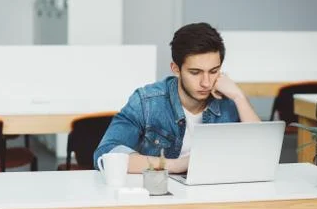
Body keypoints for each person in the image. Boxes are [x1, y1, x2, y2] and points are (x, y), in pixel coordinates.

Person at [93, 22, 260, 173]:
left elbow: (260, 154)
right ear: (176, 69)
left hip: (216, 195)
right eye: (195, 73)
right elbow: (105, 154)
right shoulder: (147, 101)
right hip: (160, 195)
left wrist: (239, 97)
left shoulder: (229, 99)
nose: (206, 83)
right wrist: (175, 165)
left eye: (214, 71)